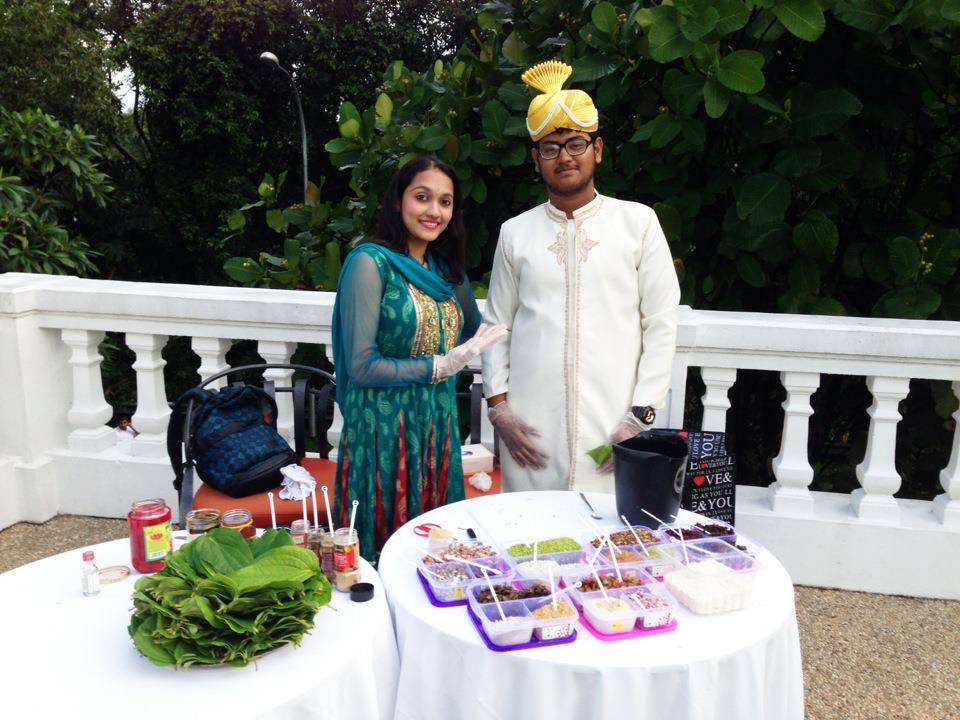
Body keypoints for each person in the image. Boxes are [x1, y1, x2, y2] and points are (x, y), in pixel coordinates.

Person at [481, 60, 681, 494]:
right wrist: (500, 411)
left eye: (575, 143)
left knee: (609, 550)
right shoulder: (515, 234)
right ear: (537, 160)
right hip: (531, 436)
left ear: (598, 149)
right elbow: (497, 326)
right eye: (550, 149)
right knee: (531, 545)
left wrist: (640, 416)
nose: (564, 156)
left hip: (615, 431)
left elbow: (662, 324)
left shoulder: (638, 224)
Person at [331, 155, 507, 557]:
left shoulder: (445, 270)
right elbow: (361, 365)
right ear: (398, 201)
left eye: (445, 202)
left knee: (435, 551)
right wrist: (438, 365)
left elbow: (471, 329)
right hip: (383, 431)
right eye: (422, 197)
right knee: (385, 550)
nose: (434, 211)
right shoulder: (370, 263)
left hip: (434, 426)